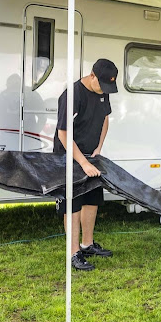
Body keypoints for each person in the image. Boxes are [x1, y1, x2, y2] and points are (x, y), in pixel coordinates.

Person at [53, 59, 119, 271]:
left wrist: (99, 148)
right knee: (73, 204)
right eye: (102, 85)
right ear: (92, 76)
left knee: (92, 199)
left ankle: (87, 244)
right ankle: (73, 252)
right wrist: (82, 162)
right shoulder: (72, 95)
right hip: (69, 156)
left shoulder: (103, 90)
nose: (104, 90)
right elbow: (63, 133)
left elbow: (105, 118)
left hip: (91, 155)